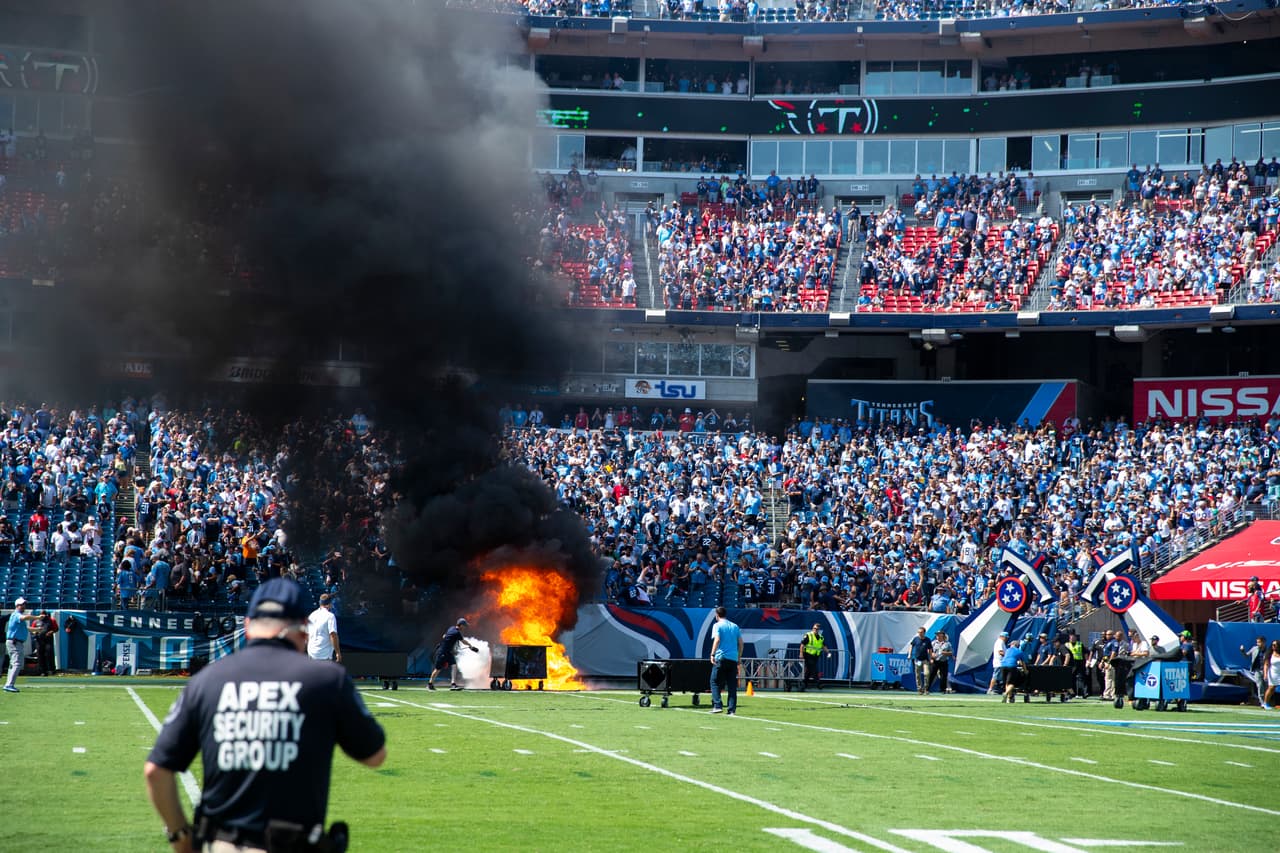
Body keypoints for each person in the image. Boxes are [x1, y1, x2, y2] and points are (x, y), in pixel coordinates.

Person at [144, 578, 386, 853]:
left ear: (247, 627)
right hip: (293, 844)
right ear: (304, 630)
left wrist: (180, 837)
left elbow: (156, 771)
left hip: (221, 843)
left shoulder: (207, 680)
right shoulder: (327, 680)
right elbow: (375, 754)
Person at [709, 605, 742, 715]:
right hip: (733, 658)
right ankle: (731, 709)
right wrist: (738, 657)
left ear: (717, 615)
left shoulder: (717, 625)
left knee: (714, 681)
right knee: (732, 685)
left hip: (721, 657)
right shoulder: (734, 626)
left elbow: (717, 640)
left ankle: (717, 705)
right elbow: (741, 643)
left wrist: (712, 654)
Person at [429, 618, 476, 691]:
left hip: (448, 652)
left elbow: (444, 636)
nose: (465, 627)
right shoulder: (457, 633)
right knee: (438, 669)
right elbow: (463, 641)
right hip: (443, 652)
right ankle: (430, 684)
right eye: (464, 625)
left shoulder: (451, 628)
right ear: (460, 625)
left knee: (454, 665)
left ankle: (453, 684)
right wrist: (471, 646)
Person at [5, 597, 39, 693]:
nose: (23, 606)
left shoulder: (18, 616)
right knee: (17, 663)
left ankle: (8, 684)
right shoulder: (16, 615)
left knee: (14, 663)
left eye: (24, 604)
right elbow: (25, 617)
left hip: (15, 642)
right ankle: (9, 684)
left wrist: (37, 630)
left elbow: (26, 628)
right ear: (17, 606)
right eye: (21, 604)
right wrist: (37, 617)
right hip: (15, 642)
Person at [306, 593, 341, 663]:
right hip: (323, 655)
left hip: (311, 653)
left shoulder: (311, 615)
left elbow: (307, 635)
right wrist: (338, 653)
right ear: (329, 604)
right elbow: (333, 635)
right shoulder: (330, 616)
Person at [1000, 638, 1029, 704]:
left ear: (1013, 645)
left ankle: (1009, 698)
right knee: (1012, 683)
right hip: (1011, 666)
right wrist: (1025, 671)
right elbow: (1023, 663)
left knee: (1007, 683)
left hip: (1003, 665)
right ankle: (1006, 693)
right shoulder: (1019, 652)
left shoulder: (1007, 650)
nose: (1010, 645)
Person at [32, 610, 57, 676]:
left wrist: (50, 632)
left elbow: (56, 628)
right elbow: (32, 629)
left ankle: (51, 670)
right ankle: (42, 671)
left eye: (44, 614)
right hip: (39, 640)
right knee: (40, 655)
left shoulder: (51, 620)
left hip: (48, 640)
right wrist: (34, 632)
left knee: (49, 654)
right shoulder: (36, 621)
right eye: (41, 614)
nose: (43, 616)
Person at [909, 626, 933, 695]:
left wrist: (931, 658)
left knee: (927, 673)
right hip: (917, 659)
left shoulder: (927, 640)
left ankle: (926, 689)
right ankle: (919, 689)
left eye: (921, 632)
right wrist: (909, 654)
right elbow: (911, 645)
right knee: (918, 675)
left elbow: (930, 649)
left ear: (924, 633)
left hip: (925, 660)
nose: (920, 633)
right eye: (919, 632)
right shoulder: (915, 639)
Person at [800, 622, 824, 689]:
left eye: (817, 629)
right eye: (814, 628)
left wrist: (828, 652)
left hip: (815, 656)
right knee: (814, 669)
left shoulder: (821, 637)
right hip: (807, 655)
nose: (815, 630)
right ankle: (818, 683)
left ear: (819, 630)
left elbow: (823, 645)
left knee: (809, 670)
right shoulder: (808, 635)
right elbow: (802, 645)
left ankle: (804, 683)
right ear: (812, 628)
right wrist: (801, 654)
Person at [989, 630, 1008, 695]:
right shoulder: (1000, 642)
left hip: (1001, 663)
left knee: (1000, 677)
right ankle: (990, 689)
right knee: (995, 676)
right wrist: (1008, 656)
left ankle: (997, 689)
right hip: (999, 662)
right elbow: (1000, 652)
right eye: (1006, 637)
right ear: (1003, 637)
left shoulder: (1001, 642)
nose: (1007, 639)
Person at [1263, 639, 1280, 710]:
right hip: (1273, 674)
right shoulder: (1269, 654)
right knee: (1271, 688)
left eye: (1275, 645)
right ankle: (1265, 703)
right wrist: (1265, 674)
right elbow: (1266, 665)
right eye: (1273, 645)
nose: (1273, 646)